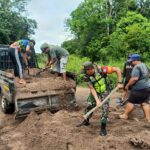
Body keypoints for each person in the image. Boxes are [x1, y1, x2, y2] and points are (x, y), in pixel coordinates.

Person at [76, 61, 122, 136]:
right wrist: (97, 100)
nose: (88, 72)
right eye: (86, 71)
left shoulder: (102, 69)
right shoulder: (86, 76)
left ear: (92, 68)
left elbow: (117, 69)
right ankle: (86, 121)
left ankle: (103, 127)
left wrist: (119, 82)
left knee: (105, 107)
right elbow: (91, 88)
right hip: (95, 90)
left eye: (89, 70)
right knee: (90, 105)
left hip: (105, 90)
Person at [119, 54, 150, 122]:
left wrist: (127, 85)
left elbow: (134, 79)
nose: (131, 62)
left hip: (139, 88)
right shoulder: (144, 65)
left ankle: (125, 115)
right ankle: (148, 118)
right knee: (145, 103)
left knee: (131, 101)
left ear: (135, 60)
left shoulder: (137, 67)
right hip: (147, 86)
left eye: (132, 61)